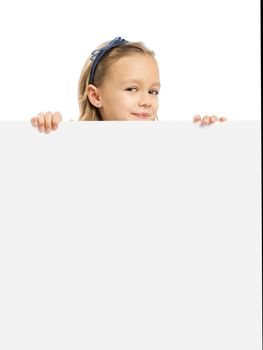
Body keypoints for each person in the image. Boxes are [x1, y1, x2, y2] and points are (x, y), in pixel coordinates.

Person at [30, 37, 227, 133]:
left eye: (153, 91)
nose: (147, 101)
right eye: (132, 89)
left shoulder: (169, 144)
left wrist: (209, 139)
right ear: (96, 96)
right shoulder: (72, 138)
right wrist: (46, 130)